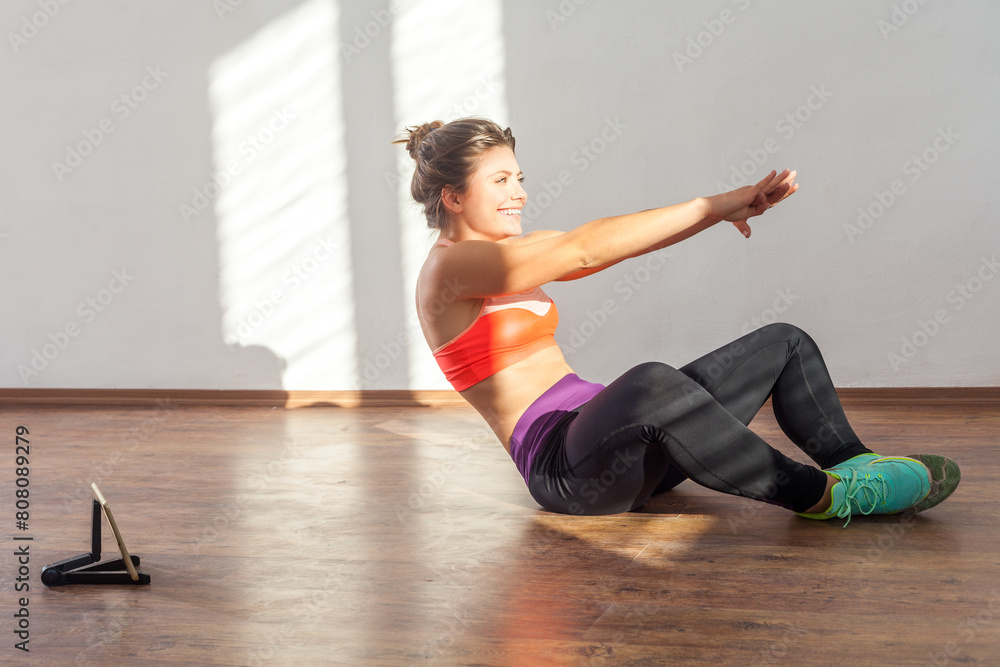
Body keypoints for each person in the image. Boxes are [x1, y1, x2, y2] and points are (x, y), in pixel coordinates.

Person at [397, 117, 960, 525]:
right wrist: (713, 205)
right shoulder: (448, 270)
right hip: (568, 472)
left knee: (783, 343)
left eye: (519, 177)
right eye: (500, 181)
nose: (518, 192)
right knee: (648, 382)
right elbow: (585, 250)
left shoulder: (506, 254)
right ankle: (827, 496)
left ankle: (860, 467)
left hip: (620, 451)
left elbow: (605, 240)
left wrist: (721, 214)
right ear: (452, 196)